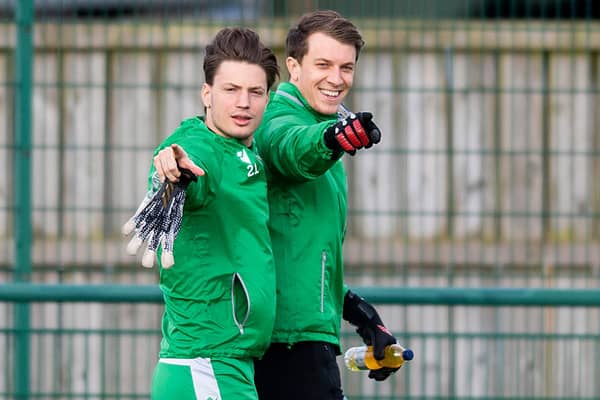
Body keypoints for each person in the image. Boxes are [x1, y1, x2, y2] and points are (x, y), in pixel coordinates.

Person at [154, 11, 400, 400]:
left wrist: (358, 313)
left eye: (346, 67)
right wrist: (331, 140)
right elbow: (292, 148)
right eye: (323, 64)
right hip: (267, 348)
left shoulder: (259, 141)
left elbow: (293, 253)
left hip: (278, 342)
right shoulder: (278, 121)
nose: (336, 78)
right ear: (293, 67)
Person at [125, 27, 280, 400]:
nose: (243, 102)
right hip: (205, 365)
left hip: (223, 364)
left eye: (254, 92)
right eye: (231, 90)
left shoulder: (245, 153)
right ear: (206, 94)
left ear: (267, 97)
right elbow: (186, 164)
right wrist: (174, 172)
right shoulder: (200, 146)